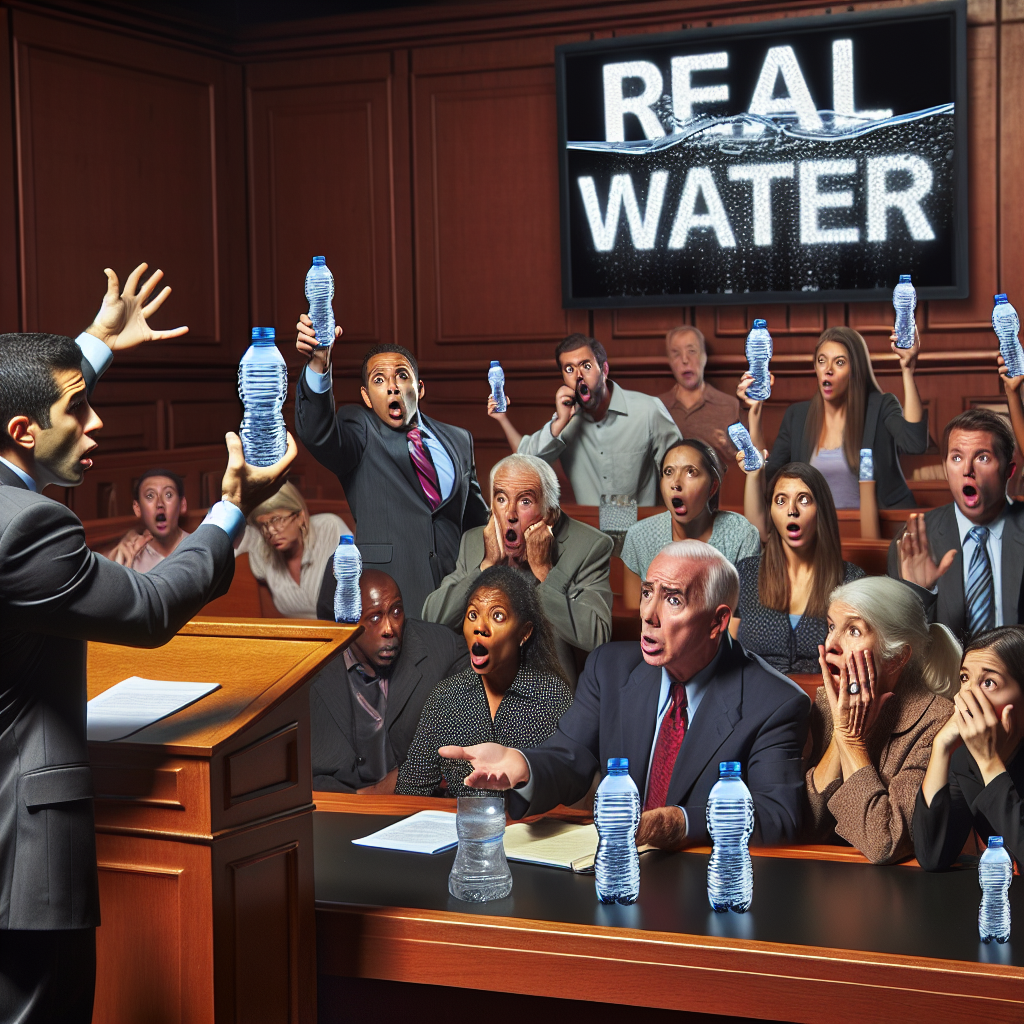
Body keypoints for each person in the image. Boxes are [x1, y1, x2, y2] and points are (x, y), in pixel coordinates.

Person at [0, 264, 295, 1024]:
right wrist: (231, 510)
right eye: (80, 408)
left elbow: (19, 400)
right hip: (22, 870)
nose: (98, 423)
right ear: (24, 432)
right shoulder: (30, 528)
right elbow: (155, 605)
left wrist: (94, 344)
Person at [441, 542, 811, 849]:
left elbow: (778, 815)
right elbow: (571, 756)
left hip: (706, 882)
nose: (648, 613)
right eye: (648, 592)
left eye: (673, 600)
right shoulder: (610, 668)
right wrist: (524, 767)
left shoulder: (775, 703)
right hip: (616, 866)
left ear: (717, 622)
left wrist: (681, 823)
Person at [294, 316, 489, 617]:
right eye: (379, 380)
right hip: (390, 597)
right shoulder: (360, 429)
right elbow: (318, 433)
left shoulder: (459, 439)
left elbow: (477, 521)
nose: (392, 388)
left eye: (401, 376)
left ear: (419, 388)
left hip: (458, 595)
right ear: (366, 398)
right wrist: (320, 362)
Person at [804, 576, 960, 864]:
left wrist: (850, 740)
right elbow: (806, 826)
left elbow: (883, 844)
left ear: (896, 659)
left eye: (853, 630)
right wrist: (841, 729)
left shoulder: (937, 720)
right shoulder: (827, 702)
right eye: (831, 626)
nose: (831, 644)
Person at [421, 453, 612, 684]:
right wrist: (486, 566)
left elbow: (597, 636)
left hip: (547, 695)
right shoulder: (474, 542)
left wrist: (545, 572)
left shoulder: (589, 546)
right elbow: (432, 620)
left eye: (525, 502)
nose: (510, 515)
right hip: (481, 690)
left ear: (549, 514)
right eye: (501, 499)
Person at [397, 566, 572, 798]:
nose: (480, 627)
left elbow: (571, 790)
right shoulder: (445, 698)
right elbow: (411, 791)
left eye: (497, 615)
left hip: (530, 830)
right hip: (464, 828)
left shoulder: (552, 697)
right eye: (473, 615)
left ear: (524, 633)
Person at [310, 569, 468, 793]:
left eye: (396, 612)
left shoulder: (442, 649)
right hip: (343, 812)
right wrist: (364, 798)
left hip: (420, 805)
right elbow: (301, 777)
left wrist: (402, 780)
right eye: (375, 617)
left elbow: (474, 716)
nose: (389, 628)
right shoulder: (314, 673)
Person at [739, 326, 927, 509]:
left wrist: (908, 370)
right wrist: (755, 413)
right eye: (822, 361)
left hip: (877, 529)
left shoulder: (881, 406)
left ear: (855, 369)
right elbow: (766, 477)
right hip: (818, 532)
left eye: (839, 362)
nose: (828, 369)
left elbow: (915, 444)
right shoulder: (797, 416)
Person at [493, 333, 680, 506]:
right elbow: (524, 463)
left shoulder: (647, 410)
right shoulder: (565, 422)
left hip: (639, 531)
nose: (579, 376)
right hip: (590, 532)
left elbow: (681, 470)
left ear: (604, 369)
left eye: (586, 366)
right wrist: (558, 425)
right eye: (569, 369)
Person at [888, 408, 1024, 644]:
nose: (967, 470)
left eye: (982, 457)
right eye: (957, 458)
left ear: (1009, 471)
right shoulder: (914, 540)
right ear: (945, 468)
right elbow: (900, 645)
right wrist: (920, 593)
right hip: (946, 679)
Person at [731, 462, 865, 675]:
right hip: (754, 701)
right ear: (771, 512)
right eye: (781, 501)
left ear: (821, 509)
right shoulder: (746, 573)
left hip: (824, 702)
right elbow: (728, 654)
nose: (792, 511)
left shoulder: (852, 580)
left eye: (804, 500)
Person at [916, 625, 1024, 870]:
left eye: (989, 682)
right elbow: (933, 856)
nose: (967, 696)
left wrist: (989, 763)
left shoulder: (980, 756)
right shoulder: (966, 759)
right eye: (965, 678)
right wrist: (941, 747)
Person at [620, 439, 760, 609]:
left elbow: (745, 617)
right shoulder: (640, 536)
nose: (676, 483)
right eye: (669, 472)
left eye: (691, 472)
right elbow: (636, 617)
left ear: (713, 486)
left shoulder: (742, 535)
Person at [234, 481, 349, 618]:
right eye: (263, 524)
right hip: (294, 635)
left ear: (300, 516)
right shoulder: (260, 544)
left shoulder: (330, 529)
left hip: (342, 632)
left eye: (277, 519)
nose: (270, 530)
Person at [656, 325, 741, 471]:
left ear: (704, 356)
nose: (684, 360)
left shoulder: (730, 406)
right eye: (676, 354)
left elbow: (751, 463)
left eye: (692, 351)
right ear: (669, 361)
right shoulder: (656, 408)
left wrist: (728, 451)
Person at [105, 469, 190, 571]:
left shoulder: (200, 549)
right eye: (150, 496)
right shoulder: (128, 556)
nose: (160, 503)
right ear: (137, 508)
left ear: (182, 504)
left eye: (168, 495)